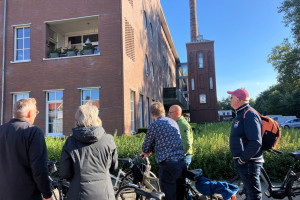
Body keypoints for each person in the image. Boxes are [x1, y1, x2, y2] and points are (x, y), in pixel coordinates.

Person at [59, 104, 118, 200]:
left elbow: (64, 173)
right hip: (105, 193)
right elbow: (114, 166)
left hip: (78, 192)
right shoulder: (108, 139)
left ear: (77, 120)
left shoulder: (71, 141)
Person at [0, 98, 52, 200]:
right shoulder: (33, 132)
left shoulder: (1, 130)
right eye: (36, 112)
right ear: (29, 113)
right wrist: (47, 194)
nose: (36, 114)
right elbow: (39, 169)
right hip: (28, 195)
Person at [141, 102, 186, 200]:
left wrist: (147, 152)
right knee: (180, 196)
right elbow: (166, 141)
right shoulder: (173, 122)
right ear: (164, 111)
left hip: (168, 166)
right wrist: (152, 149)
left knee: (168, 196)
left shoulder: (154, 125)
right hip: (182, 163)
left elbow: (146, 146)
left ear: (152, 114)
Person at [228, 88, 263, 200]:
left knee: (253, 195)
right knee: (249, 193)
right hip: (246, 162)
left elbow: (256, 142)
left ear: (238, 99)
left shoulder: (249, 114)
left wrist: (242, 159)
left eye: (231, 97)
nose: (230, 99)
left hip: (249, 162)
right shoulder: (241, 114)